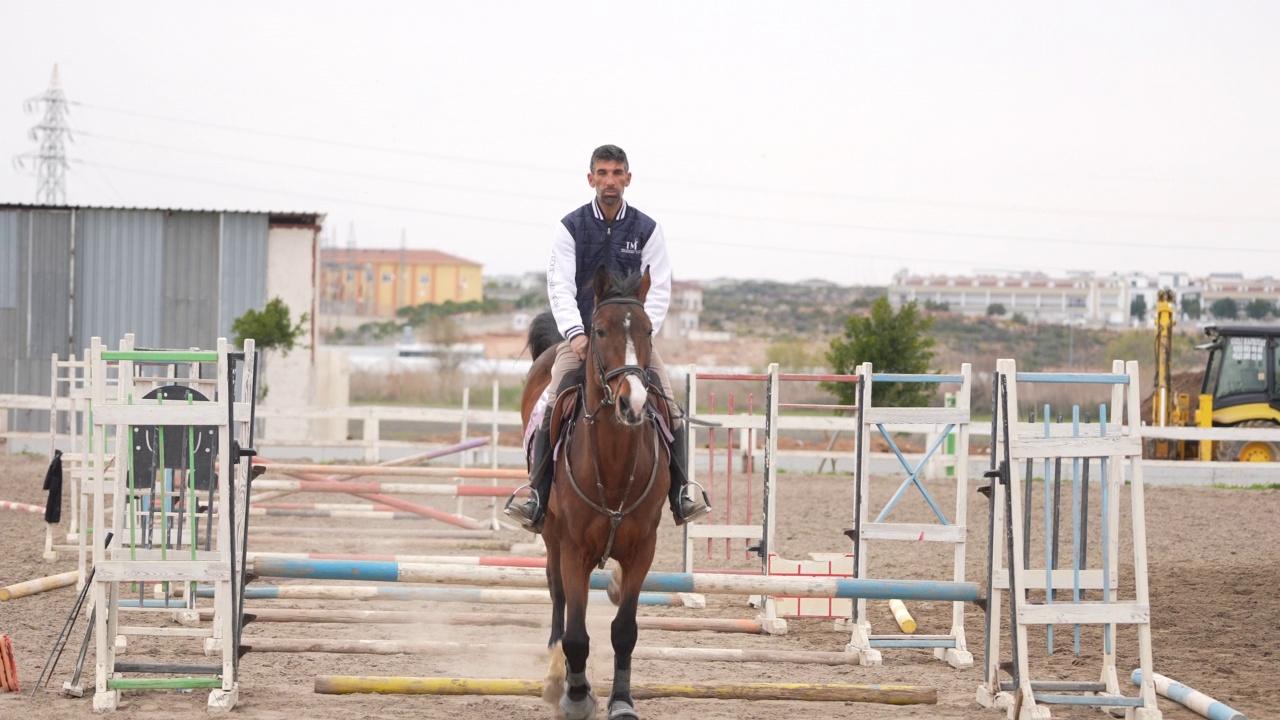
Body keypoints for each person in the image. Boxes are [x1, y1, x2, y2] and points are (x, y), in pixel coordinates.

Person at [505, 144, 711, 534]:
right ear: (591, 179)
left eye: (617, 173)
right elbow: (560, 286)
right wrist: (576, 334)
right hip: (582, 338)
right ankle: (536, 494)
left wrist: (643, 339)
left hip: (630, 344)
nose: (610, 181)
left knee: (669, 405)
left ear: (628, 179)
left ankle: (681, 493)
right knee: (551, 403)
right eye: (602, 173)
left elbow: (660, 288)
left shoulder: (648, 229)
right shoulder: (570, 227)